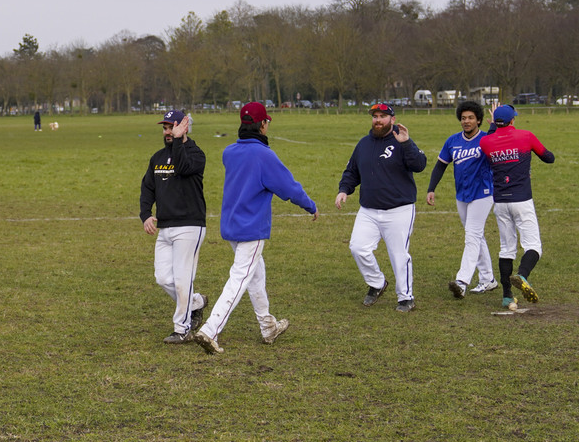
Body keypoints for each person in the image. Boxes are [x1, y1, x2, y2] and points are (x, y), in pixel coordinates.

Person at [193, 102, 317, 354]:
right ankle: (210, 329)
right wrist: (310, 205)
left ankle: (267, 326)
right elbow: (288, 187)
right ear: (262, 125)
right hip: (252, 228)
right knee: (240, 278)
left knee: (256, 275)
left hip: (231, 226)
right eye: (266, 122)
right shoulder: (264, 155)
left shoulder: (229, 151)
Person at [336, 103, 426, 311]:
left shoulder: (401, 141)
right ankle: (377, 283)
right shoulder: (364, 144)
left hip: (399, 209)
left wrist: (407, 143)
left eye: (383, 116)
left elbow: (420, 165)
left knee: (398, 255)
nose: (378, 120)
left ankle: (405, 297)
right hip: (369, 210)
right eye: (375, 116)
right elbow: (352, 171)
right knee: (358, 248)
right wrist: (344, 190)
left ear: (392, 119)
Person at [140, 109, 207, 343]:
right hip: (165, 227)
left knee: (181, 280)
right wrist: (146, 214)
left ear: (184, 127)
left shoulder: (196, 154)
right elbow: (148, 186)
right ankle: (196, 301)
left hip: (189, 226)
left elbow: (183, 167)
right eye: (165, 128)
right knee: (163, 278)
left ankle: (182, 329)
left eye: (172, 127)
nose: (168, 132)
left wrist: (179, 141)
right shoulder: (157, 158)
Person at [480, 104, 555, 310]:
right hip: (522, 199)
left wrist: (493, 128)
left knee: (506, 248)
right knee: (533, 246)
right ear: (513, 120)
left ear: (495, 122)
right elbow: (549, 158)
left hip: (500, 201)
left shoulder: (486, 141)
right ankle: (522, 275)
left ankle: (506, 296)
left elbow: (489, 141)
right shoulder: (526, 136)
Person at [426, 100, 498, 299]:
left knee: (472, 236)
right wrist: (431, 188)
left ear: (479, 120)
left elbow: (497, 141)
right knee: (476, 236)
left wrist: (494, 125)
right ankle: (488, 279)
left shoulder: (485, 139)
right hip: (462, 195)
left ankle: (462, 281)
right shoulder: (452, 141)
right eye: (463, 118)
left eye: (471, 118)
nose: (466, 121)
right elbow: (440, 165)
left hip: (483, 193)